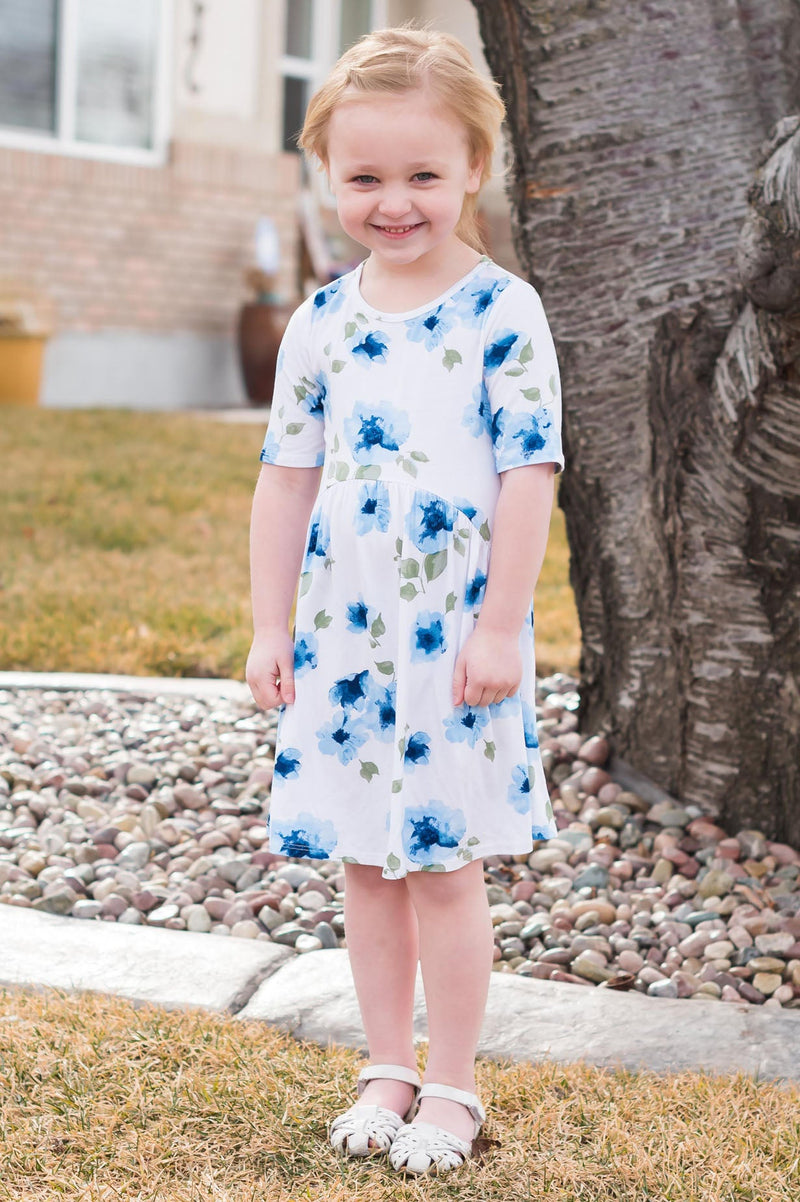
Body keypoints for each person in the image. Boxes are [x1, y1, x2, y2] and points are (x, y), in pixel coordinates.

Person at [246, 24, 564, 1178]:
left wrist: (499, 626)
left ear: (474, 165)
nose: (393, 202)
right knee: (364, 863)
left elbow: (528, 473)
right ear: (327, 174)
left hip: (451, 640)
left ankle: (452, 1079)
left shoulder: (501, 313)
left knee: (438, 862)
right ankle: (385, 1062)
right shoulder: (320, 321)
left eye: (422, 173)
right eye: (365, 176)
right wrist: (269, 625)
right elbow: (285, 479)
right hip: (344, 639)